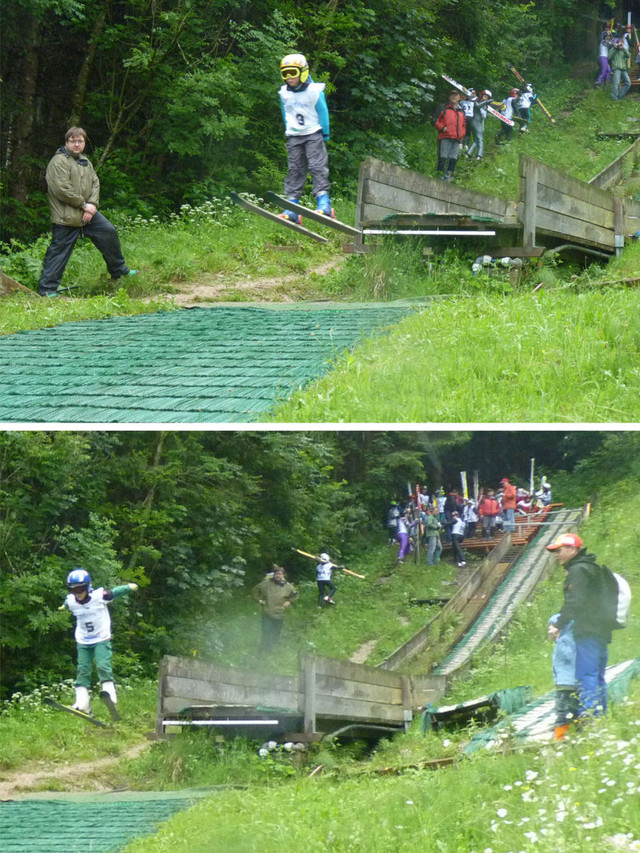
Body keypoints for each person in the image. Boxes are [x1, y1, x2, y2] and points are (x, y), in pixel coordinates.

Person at [38, 127, 138, 297]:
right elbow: (62, 190)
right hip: (66, 217)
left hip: (88, 213)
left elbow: (95, 183)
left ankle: (119, 271)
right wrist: (84, 205)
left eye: (80, 141)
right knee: (58, 253)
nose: (76, 144)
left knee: (108, 232)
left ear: (84, 143)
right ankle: (47, 290)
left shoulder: (85, 162)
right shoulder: (58, 161)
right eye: (73, 141)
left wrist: (91, 206)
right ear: (66, 142)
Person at [546, 533, 614, 719]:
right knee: (598, 675)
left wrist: (558, 625)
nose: (556, 555)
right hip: (601, 629)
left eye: (559, 550)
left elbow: (575, 602)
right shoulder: (591, 567)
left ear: (572, 549)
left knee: (587, 674)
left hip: (588, 630)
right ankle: (601, 715)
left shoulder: (578, 570)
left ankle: (589, 716)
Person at [60, 568, 138, 713]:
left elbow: (114, 592)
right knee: (82, 669)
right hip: (83, 640)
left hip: (101, 638)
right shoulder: (71, 601)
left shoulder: (99, 596)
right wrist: (63, 606)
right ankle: (82, 702)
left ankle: (110, 695)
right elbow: (67, 602)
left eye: (81, 588)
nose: (78, 592)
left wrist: (128, 588)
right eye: (74, 589)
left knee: (103, 665)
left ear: (87, 587)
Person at [277, 53, 333, 222]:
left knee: (317, 167)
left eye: (292, 73)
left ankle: (324, 203)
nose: (289, 77)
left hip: (313, 133)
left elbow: (323, 111)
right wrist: (289, 128)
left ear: (302, 72)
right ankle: (292, 207)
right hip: (295, 135)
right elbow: (285, 112)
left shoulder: (314, 91)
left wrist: (325, 132)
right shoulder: (284, 93)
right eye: (285, 74)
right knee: (295, 169)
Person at [253, 565, 298, 654]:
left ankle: (272, 651)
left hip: (279, 614)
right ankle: (262, 651)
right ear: (274, 574)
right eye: (276, 574)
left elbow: (295, 595)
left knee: (275, 634)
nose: (278, 576)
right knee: (266, 632)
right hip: (267, 613)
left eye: (280, 574)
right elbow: (255, 590)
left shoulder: (288, 586)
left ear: (283, 575)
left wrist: (290, 602)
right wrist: (259, 600)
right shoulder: (266, 584)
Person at [548, 611, 578, 740]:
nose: (549, 629)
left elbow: (568, 656)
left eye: (552, 626)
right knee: (572, 709)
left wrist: (559, 640)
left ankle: (559, 738)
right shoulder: (566, 639)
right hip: (565, 682)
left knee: (561, 711)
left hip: (567, 684)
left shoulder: (566, 639)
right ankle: (576, 733)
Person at [434, 90, 466, 181]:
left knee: (453, 158)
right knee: (443, 156)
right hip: (445, 136)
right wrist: (442, 128)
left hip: (457, 138)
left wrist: (462, 133)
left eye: (456, 95)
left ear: (459, 98)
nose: (453, 97)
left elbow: (464, 125)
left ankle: (449, 176)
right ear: (449, 97)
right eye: (452, 95)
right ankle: (439, 175)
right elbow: (434, 119)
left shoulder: (462, 111)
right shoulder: (443, 107)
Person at [467, 89, 491, 160]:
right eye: (485, 96)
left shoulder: (485, 105)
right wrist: (486, 102)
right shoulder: (476, 100)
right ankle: (479, 155)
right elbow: (477, 106)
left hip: (481, 121)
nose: (485, 98)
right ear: (482, 95)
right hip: (475, 121)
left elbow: (484, 116)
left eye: (487, 97)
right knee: (480, 138)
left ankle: (469, 153)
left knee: (476, 140)